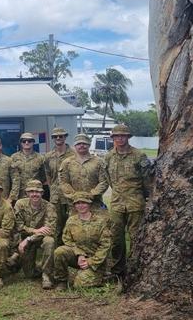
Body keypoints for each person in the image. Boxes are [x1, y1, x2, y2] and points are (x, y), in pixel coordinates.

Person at [103, 124, 151, 279]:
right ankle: (118, 271)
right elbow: (109, 179)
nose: (120, 138)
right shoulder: (109, 156)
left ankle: (135, 269)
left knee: (136, 237)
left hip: (135, 203)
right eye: (116, 136)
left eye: (123, 135)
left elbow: (147, 181)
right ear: (113, 138)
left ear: (128, 137)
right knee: (116, 238)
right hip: (117, 203)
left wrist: (146, 197)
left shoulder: (139, 156)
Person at [54, 192, 112, 290]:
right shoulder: (71, 221)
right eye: (78, 203)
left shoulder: (100, 222)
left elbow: (105, 245)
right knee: (60, 252)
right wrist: (80, 254)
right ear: (74, 206)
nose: (81, 206)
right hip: (78, 257)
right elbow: (67, 239)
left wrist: (90, 261)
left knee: (79, 285)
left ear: (89, 204)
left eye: (84, 203)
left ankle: (103, 277)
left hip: (96, 261)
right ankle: (62, 281)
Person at [58, 134, 109, 243]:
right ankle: (77, 257)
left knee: (99, 232)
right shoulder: (67, 162)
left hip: (94, 203)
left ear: (89, 145)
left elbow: (104, 182)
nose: (82, 146)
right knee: (74, 233)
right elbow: (63, 182)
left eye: (84, 143)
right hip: (75, 205)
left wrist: (91, 194)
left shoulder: (99, 162)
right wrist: (75, 197)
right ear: (75, 146)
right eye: (79, 144)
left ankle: (98, 257)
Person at [9, 179, 57, 289]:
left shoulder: (49, 207)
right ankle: (23, 261)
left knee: (50, 241)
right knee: (29, 275)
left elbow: (50, 230)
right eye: (31, 191)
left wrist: (29, 238)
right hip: (25, 238)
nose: (34, 194)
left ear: (42, 193)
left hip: (39, 239)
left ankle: (46, 275)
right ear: (27, 193)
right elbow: (18, 226)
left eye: (38, 191)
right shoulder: (20, 204)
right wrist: (34, 231)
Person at [43, 128, 75, 240]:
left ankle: (71, 249)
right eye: (55, 136)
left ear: (65, 137)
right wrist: (52, 187)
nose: (58, 138)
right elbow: (47, 173)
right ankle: (57, 249)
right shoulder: (48, 156)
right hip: (55, 195)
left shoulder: (74, 154)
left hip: (71, 194)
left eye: (61, 136)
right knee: (56, 223)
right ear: (52, 139)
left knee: (72, 221)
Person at [11, 133, 46, 201]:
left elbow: (43, 176)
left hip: (35, 194)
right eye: (24, 141)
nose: (26, 143)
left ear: (33, 142)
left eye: (29, 141)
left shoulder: (40, 158)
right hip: (19, 194)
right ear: (21, 143)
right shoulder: (14, 157)